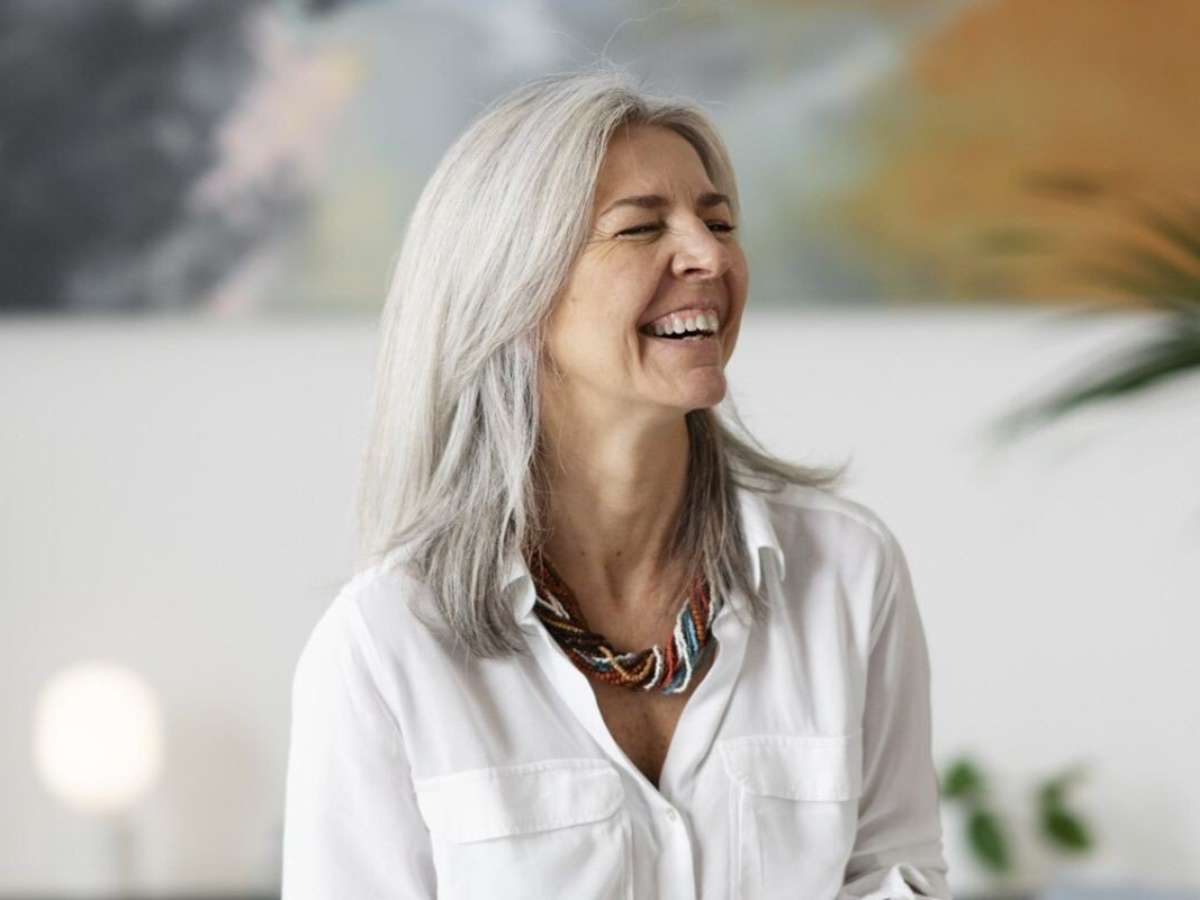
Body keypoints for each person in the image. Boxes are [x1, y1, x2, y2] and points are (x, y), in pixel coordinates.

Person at [281, 65, 952, 899]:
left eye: (720, 221)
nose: (710, 255)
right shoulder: (384, 643)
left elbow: (896, 874)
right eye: (641, 228)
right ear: (515, 289)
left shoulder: (847, 572)